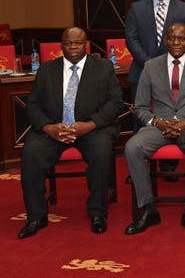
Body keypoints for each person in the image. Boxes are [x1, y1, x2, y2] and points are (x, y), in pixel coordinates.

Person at [19, 27, 123, 239]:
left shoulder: (103, 67)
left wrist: (90, 125)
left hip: (92, 129)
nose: (73, 47)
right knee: (30, 153)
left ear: (86, 44)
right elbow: (33, 106)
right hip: (54, 130)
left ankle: (97, 213)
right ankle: (36, 216)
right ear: (61, 45)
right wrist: (49, 128)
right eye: (68, 43)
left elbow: (115, 103)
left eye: (78, 43)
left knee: (102, 153)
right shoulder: (47, 69)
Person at [124, 23, 185, 236]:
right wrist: (158, 122)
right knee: (132, 147)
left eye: (181, 39)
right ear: (165, 40)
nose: (176, 42)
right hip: (158, 126)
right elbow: (139, 107)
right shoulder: (150, 66)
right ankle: (148, 208)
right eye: (172, 38)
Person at [125, 0, 185, 175]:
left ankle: (168, 165)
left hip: (175, 72)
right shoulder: (136, 9)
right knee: (141, 119)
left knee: (172, 115)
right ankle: (139, 167)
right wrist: (151, 66)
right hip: (141, 71)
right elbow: (131, 38)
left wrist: (165, 65)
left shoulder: (184, 9)